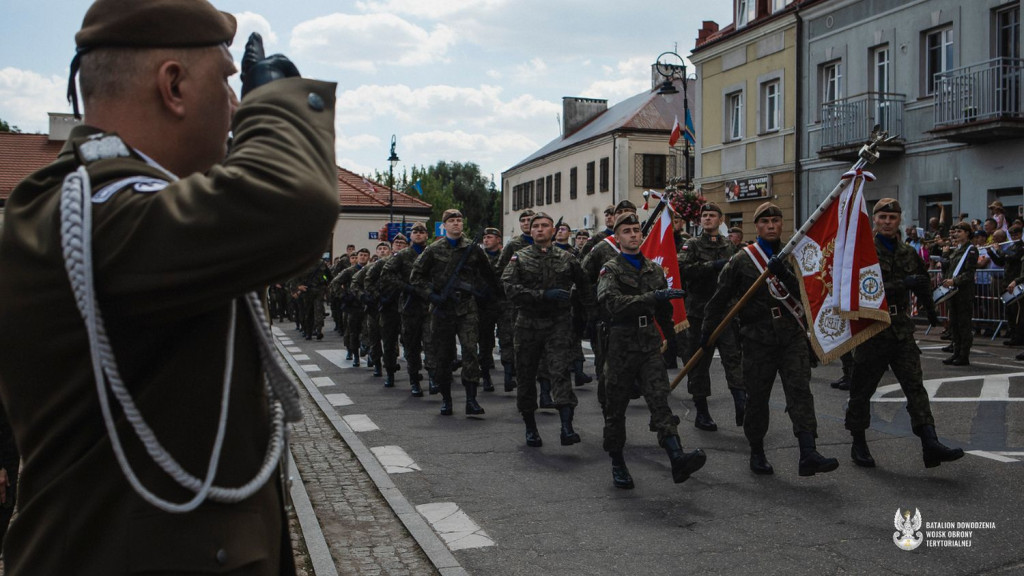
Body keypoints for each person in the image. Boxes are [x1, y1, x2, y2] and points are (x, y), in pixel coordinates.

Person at [0, 2, 338, 573]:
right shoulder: (85, 213)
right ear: (174, 85)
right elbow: (293, 204)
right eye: (229, 84)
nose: (234, 109)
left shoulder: (116, 205)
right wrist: (280, 106)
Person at [702, 202, 839, 477]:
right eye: (765, 222)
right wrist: (706, 332)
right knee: (757, 398)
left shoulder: (796, 256)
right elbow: (719, 299)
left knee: (800, 391)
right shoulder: (742, 259)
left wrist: (785, 274)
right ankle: (757, 451)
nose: (772, 226)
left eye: (776, 221)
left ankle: (808, 451)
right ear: (758, 227)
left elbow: (810, 294)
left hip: (791, 335)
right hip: (757, 338)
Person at [845, 199, 964, 468]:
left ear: (900, 220)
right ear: (874, 219)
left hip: (901, 328)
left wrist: (931, 310)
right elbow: (862, 289)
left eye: (893, 217)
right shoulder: (864, 252)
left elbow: (921, 281)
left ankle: (929, 442)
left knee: (915, 387)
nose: (887, 222)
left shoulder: (908, 252)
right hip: (872, 328)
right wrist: (902, 284)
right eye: (883, 217)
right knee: (862, 390)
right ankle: (858, 441)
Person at [597, 212, 706, 489]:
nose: (633, 235)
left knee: (660, 401)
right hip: (621, 344)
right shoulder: (611, 269)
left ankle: (676, 456)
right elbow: (611, 303)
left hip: (648, 344)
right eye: (627, 231)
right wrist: (651, 297)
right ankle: (617, 461)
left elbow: (664, 311)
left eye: (636, 230)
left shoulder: (654, 269)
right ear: (618, 237)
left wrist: (674, 341)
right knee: (616, 408)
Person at [502, 212, 595, 447]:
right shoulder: (519, 258)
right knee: (525, 376)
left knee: (560, 372)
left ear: (553, 231)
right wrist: (542, 295)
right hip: (528, 325)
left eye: (545, 226)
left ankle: (567, 427)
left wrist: (592, 316)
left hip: (558, 324)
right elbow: (510, 288)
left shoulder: (567, 258)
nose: (540, 229)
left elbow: (585, 287)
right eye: (536, 226)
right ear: (530, 232)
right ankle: (531, 428)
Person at [411, 209, 500, 416]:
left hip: (466, 308)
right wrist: (431, 295)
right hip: (442, 309)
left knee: (470, 352)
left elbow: (487, 275)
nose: (456, 224)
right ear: (444, 225)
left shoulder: (472, 248)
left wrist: (485, 295)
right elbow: (416, 277)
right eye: (452, 221)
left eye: (459, 220)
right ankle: (446, 399)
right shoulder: (433, 250)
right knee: (443, 355)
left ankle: (471, 399)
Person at [677, 202, 746, 430]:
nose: (708, 219)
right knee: (699, 362)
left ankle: (740, 403)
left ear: (720, 220)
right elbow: (683, 271)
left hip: (725, 312)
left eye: (712, 216)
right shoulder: (692, 245)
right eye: (704, 216)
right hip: (699, 312)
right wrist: (712, 266)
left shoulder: (730, 246)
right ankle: (702, 412)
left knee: (732, 358)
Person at [382, 223, 434, 396]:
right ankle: (414, 380)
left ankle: (433, 376)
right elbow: (386, 274)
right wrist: (406, 287)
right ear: (410, 236)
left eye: (422, 232)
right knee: (411, 346)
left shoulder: (432, 253)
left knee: (431, 343)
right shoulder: (403, 255)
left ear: (427, 235)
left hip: (429, 305)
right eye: (415, 232)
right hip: (410, 306)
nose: (418, 235)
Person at [495, 209, 536, 391]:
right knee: (509, 337)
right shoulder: (513, 245)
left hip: (536, 301)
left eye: (530, 220)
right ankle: (509, 374)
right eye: (523, 220)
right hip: (514, 301)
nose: (526, 223)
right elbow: (500, 270)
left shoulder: (542, 243)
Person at [940, 223, 978, 366]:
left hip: (963, 292)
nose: (956, 234)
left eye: (960, 231)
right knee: (954, 324)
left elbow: (969, 273)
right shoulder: (956, 250)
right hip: (953, 292)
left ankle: (964, 355)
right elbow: (948, 267)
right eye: (955, 231)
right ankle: (956, 352)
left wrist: (954, 281)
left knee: (963, 324)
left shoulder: (971, 250)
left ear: (967, 233)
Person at [333, 248, 371, 366]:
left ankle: (369, 353)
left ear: (368, 257)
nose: (363, 257)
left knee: (368, 330)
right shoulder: (349, 271)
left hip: (367, 305)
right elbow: (335, 283)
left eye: (365, 255)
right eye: (361, 255)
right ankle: (354, 355)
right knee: (353, 332)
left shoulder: (371, 269)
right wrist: (343, 296)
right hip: (352, 306)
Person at [478, 227, 504, 392]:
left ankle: (510, 371)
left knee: (507, 337)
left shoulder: (506, 256)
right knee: (485, 339)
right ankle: (485, 374)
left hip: (503, 302)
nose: (486, 240)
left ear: (498, 239)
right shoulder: (479, 257)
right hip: (484, 303)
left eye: (489, 237)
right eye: (484, 237)